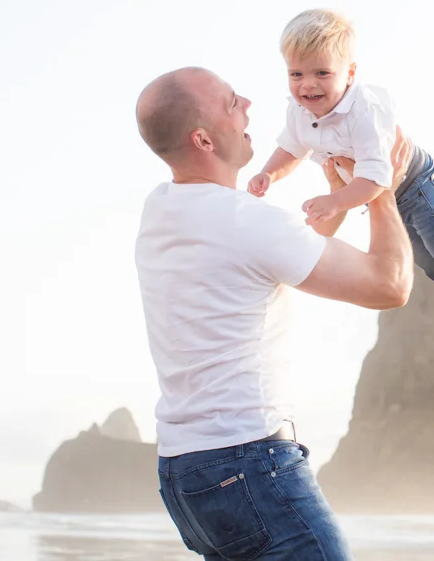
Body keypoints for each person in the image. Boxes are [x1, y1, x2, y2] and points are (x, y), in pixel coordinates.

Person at [133, 66, 413, 560]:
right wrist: (380, 184)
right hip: (250, 463)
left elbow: (267, 262)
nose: (247, 106)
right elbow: (389, 285)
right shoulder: (247, 223)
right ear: (202, 138)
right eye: (230, 102)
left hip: (184, 473)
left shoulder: (161, 210)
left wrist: (339, 205)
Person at [247, 8, 434, 324]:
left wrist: (336, 201)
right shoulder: (299, 111)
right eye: (297, 74)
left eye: (322, 73)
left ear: (349, 74)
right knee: (421, 255)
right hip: (380, 193)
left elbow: (378, 179)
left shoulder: (364, 113)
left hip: (416, 183)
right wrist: (269, 173)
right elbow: (292, 149)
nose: (307, 85)